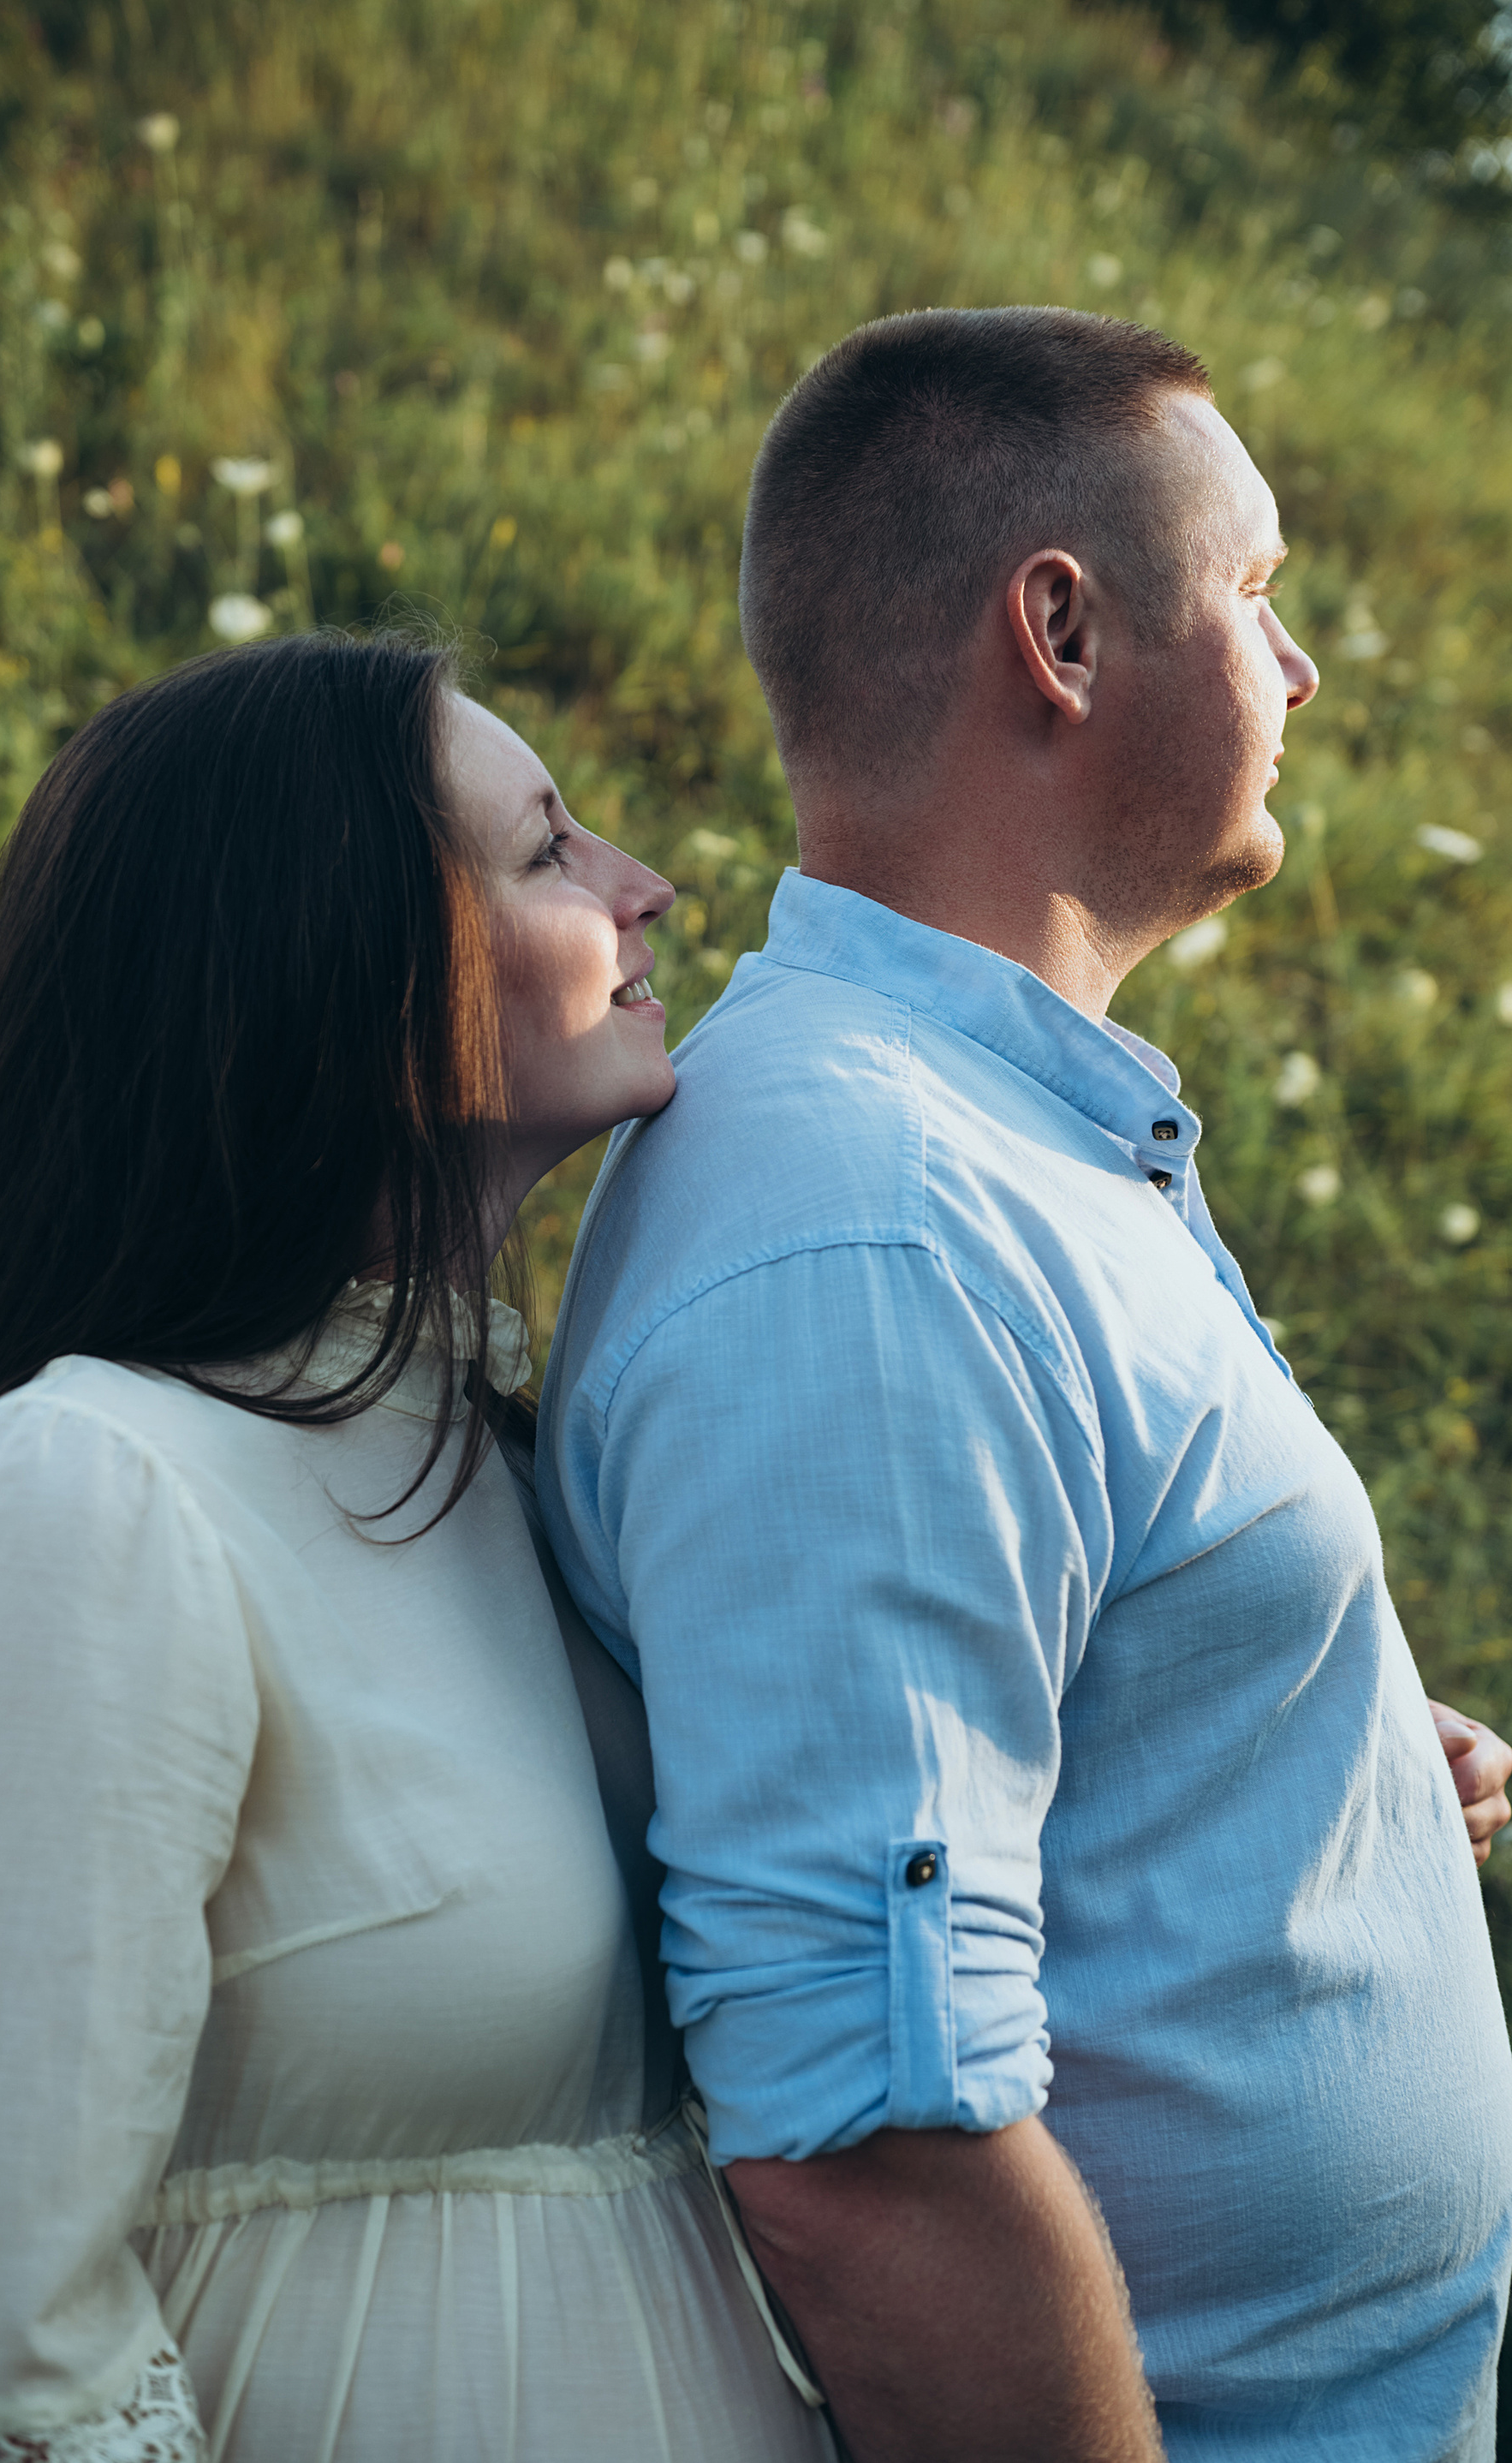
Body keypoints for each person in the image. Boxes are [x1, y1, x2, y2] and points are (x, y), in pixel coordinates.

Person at [538, 308, 1512, 2462]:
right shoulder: (873, 1233)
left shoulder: (996, 1141)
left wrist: (1314, 1751)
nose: (1301, 669)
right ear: (1059, 633)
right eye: (1255, 592)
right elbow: (872, 2151)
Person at [0, 633, 834, 2462]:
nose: (646, 884)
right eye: (548, 851)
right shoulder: (86, 1491)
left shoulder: (525, 1481)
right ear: (350, 976)